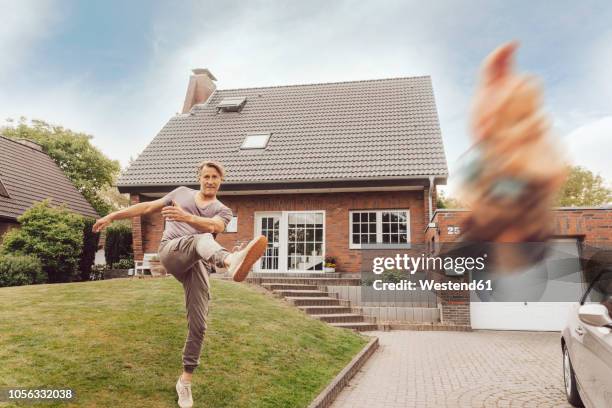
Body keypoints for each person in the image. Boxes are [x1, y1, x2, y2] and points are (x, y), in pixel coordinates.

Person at [92, 160, 267, 408]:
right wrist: (112, 215)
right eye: (206, 176)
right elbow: (147, 207)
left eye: (214, 177)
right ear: (200, 178)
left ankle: (184, 381)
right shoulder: (181, 193)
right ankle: (230, 260)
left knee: (199, 324)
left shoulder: (223, 210)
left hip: (196, 262)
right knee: (201, 239)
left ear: (220, 181)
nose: (209, 181)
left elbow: (215, 226)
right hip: (171, 251)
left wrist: (186, 216)